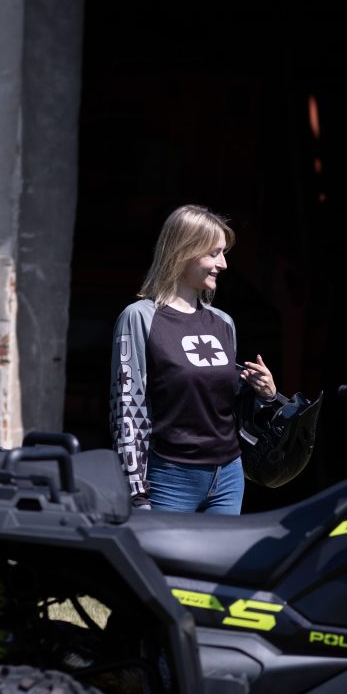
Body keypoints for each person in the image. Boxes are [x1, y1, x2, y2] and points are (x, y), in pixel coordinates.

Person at [109, 203, 277, 512]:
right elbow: (127, 409)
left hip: (228, 478)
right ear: (184, 252)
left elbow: (221, 404)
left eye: (223, 253)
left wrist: (265, 395)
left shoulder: (223, 323)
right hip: (169, 479)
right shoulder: (139, 318)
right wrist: (135, 492)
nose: (223, 264)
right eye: (214, 253)